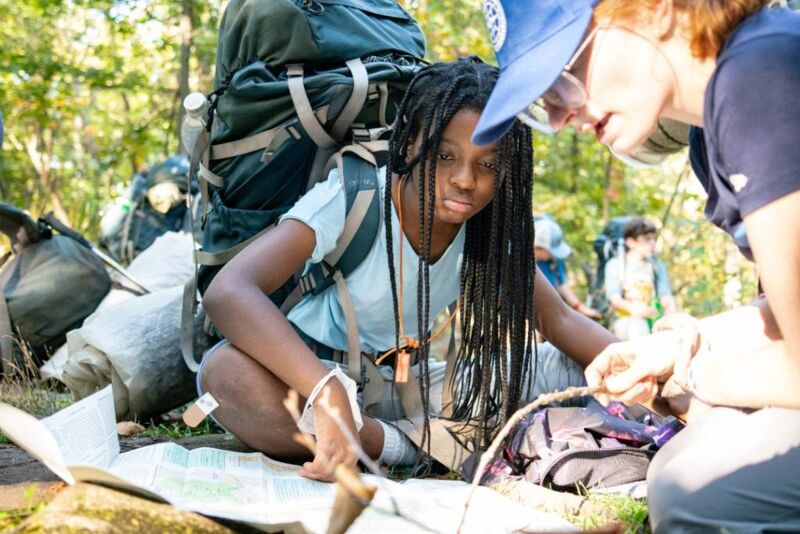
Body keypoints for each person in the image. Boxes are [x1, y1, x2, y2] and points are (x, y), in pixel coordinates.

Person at [198, 58, 616, 482]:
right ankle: (400, 443)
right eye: (445, 155)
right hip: (307, 378)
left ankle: (381, 440)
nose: (465, 180)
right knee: (225, 374)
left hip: (407, 388)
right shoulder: (353, 197)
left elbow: (560, 319)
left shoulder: (488, 231)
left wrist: (656, 377)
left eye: (488, 164)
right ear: (411, 144)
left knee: (576, 368)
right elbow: (228, 291)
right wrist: (326, 392)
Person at [474, 0, 800, 531]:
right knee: (681, 461)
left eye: (565, 76)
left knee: (696, 491)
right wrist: (677, 346)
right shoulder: (710, 131)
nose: (563, 116)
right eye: (543, 103)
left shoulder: (755, 78)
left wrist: (697, 374)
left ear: (645, 10)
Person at [604, 216, 676, 339]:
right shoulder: (615, 265)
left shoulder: (656, 265)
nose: (652, 244)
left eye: (653, 239)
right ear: (631, 242)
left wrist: (671, 314)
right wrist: (635, 310)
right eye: (647, 239)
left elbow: (665, 296)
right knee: (637, 326)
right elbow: (614, 299)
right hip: (624, 321)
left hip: (652, 320)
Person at [534, 216, 602, 319]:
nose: (553, 255)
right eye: (551, 251)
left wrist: (582, 309)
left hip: (548, 312)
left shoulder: (554, 260)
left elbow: (562, 286)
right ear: (538, 247)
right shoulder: (514, 262)